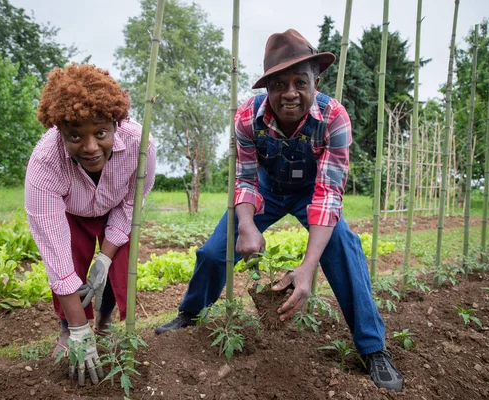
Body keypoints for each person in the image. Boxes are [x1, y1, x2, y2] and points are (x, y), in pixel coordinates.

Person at [155, 29, 404, 392]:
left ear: (315, 81)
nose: (289, 93)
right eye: (278, 84)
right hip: (266, 189)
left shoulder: (334, 118)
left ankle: (373, 348)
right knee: (213, 252)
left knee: (345, 250)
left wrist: (306, 267)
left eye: (300, 82)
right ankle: (190, 312)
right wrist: (245, 224)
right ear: (267, 87)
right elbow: (245, 177)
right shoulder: (248, 117)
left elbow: (328, 194)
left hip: (311, 192)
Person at [25, 63, 156, 385]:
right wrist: (77, 332)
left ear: (115, 123)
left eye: (100, 133)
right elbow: (56, 258)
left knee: (117, 272)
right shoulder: (44, 164)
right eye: (75, 136)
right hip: (71, 212)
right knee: (71, 265)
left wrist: (106, 255)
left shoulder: (141, 147)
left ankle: (105, 322)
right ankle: (70, 329)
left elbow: (129, 204)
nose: (90, 146)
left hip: (115, 209)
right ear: (59, 131)